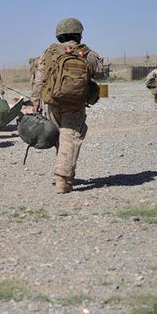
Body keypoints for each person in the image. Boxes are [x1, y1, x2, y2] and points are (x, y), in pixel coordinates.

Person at [29, 18, 103, 193]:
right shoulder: (87, 53)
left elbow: (39, 79)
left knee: (58, 137)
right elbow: (99, 73)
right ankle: (63, 178)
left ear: (59, 35)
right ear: (79, 33)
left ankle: (62, 173)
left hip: (53, 101)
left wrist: (35, 101)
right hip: (75, 103)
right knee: (70, 137)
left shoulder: (50, 51)